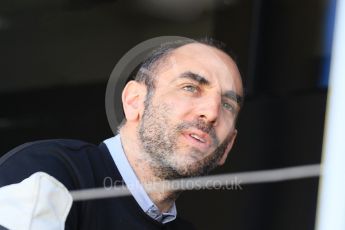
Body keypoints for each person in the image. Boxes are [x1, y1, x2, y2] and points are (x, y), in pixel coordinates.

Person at [0, 39, 244, 229]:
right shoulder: (49, 175)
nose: (212, 112)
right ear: (135, 101)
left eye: (227, 105)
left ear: (229, 146)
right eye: (190, 87)